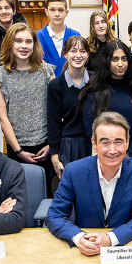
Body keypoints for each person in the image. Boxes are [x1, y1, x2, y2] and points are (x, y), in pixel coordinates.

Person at [46, 112, 132, 255]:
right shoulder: (74, 171)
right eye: (105, 143)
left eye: (118, 142)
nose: (112, 150)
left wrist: (111, 238)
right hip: (84, 249)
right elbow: (55, 215)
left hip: (121, 250)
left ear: (127, 142)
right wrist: (79, 238)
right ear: (94, 144)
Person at [0, 24, 57, 194]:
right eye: (18, 41)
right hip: (16, 147)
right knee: (19, 194)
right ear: (10, 44)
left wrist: (51, 144)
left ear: (34, 45)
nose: (24, 46)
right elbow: (3, 118)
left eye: (28, 41)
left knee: (46, 193)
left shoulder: (46, 71)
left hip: (45, 145)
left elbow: (55, 112)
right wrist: (19, 151)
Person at [78, 40, 132, 161]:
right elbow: (90, 126)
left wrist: (131, 156)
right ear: (107, 62)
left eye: (124, 59)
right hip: (102, 154)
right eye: (115, 59)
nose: (121, 64)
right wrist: (107, 151)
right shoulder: (95, 89)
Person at [48, 35, 92, 178]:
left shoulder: (96, 81)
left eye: (83, 51)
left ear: (88, 54)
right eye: (73, 51)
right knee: (71, 190)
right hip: (68, 145)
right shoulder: (56, 85)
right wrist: (54, 156)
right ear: (65, 54)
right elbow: (53, 122)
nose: (78, 55)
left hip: (94, 143)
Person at [36, 0, 80, 76]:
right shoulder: (37, 36)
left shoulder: (75, 35)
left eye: (61, 10)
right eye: (52, 10)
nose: (57, 14)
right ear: (46, 12)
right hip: (46, 85)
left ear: (66, 12)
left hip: (71, 84)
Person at [86, 10, 116, 75]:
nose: (100, 26)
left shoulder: (116, 43)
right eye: (96, 23)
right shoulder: (87, 44)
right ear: (92, 27)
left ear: (107, 24)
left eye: (103, 22)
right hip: (93, 82)